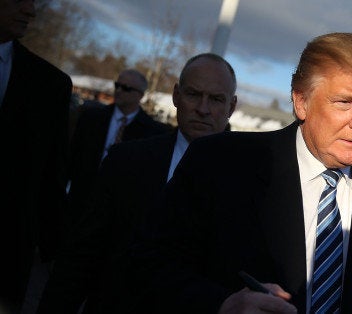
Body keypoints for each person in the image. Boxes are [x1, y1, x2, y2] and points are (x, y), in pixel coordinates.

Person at [126, 32, 352, 313]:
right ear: (301, 101)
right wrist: (221, 304)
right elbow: (149, 264)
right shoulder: (220, 162)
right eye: (345, 102)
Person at [37, 53, 238, 314]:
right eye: (193, 94)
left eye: (216, 99)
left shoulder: (250, 181)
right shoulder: (126, 161)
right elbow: (81, 257)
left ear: (231, 107)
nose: (203, 108)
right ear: (176, 95)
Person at [0, 0, 73, 312]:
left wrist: (57, 251)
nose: (30, 11)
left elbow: (51, 177)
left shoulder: (50, 85)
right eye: (19, 0)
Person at [67, 69, 171, 226]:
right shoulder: (91, 118)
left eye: (126, 88)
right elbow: (72, 157)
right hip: (80, 204)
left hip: (120, 214)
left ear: (140, 95)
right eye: (117, 85)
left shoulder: (153, 132)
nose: (119, 91)